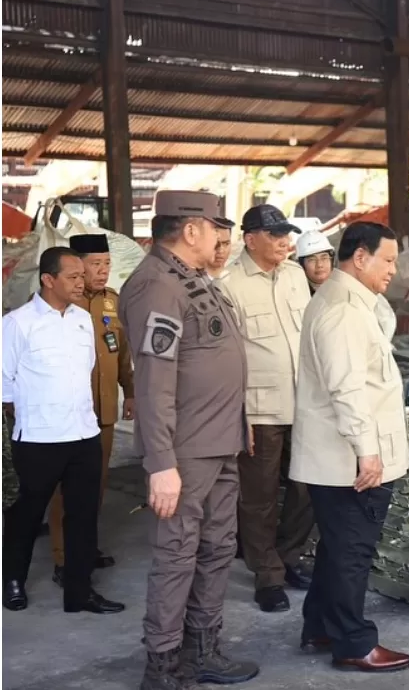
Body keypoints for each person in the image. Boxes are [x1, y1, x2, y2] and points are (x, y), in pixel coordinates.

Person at [119, 190, 259, 690]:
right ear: (192, 229)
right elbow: (155, 383)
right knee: (177, 556)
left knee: (218, 548)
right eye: (215, 226)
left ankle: (203, 649)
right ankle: (162, 666)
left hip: (219, 444)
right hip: (185, 452)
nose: (221, 236)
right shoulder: (157, 286)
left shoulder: (195, 280)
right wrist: (161, 463)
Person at [290, 222, 409, 673]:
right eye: (387, 260)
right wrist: (368, 449)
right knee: (352, 552)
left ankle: (320, 626)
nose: (393, 271)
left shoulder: (353, 302)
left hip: (341, 455)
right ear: (360, 257)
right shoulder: (342, 309)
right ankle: (353, 643)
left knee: (337, 547)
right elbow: (346, 388)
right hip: (348, 459)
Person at [1, 246, 125, 615]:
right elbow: (4, 384)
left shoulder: (83, 320)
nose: (81, 282)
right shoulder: (17, 324)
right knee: (26, 514)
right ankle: (13, 580)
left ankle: (79, 592)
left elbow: (87, 366)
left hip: (83, 434)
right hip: (39, 438)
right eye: (73, 276)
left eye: (81, 276)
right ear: (48, 280)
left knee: (84, 516)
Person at [218, 204, 314, 613]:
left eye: (286, 234)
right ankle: (267, 576)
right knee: (258, 498)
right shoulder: (229, 285)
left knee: (308, 487)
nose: (284, 242)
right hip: (258, 410)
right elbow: (227, 358)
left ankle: (287, 558)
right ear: (250, 238)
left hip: (305, 404)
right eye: (275, 235)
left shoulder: (295, 275)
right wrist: (237, 415)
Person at [48, 233, 135, 587]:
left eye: (107, 264)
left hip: (104, 412)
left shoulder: (112, 302)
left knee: (95, 486)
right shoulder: (59, 303)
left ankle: (86, 547)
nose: (102, 271)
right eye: (95, 264)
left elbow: (124, 351)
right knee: (64, 490)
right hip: (68, 414)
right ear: (76, 264)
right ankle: (63, 557)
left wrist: (130, 391)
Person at [295, 229, 335, 295]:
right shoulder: (297, 294)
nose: (319, 265)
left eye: (324, 258)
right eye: (312, 260)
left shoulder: (345, 286)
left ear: (331, 260)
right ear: (301, 265)